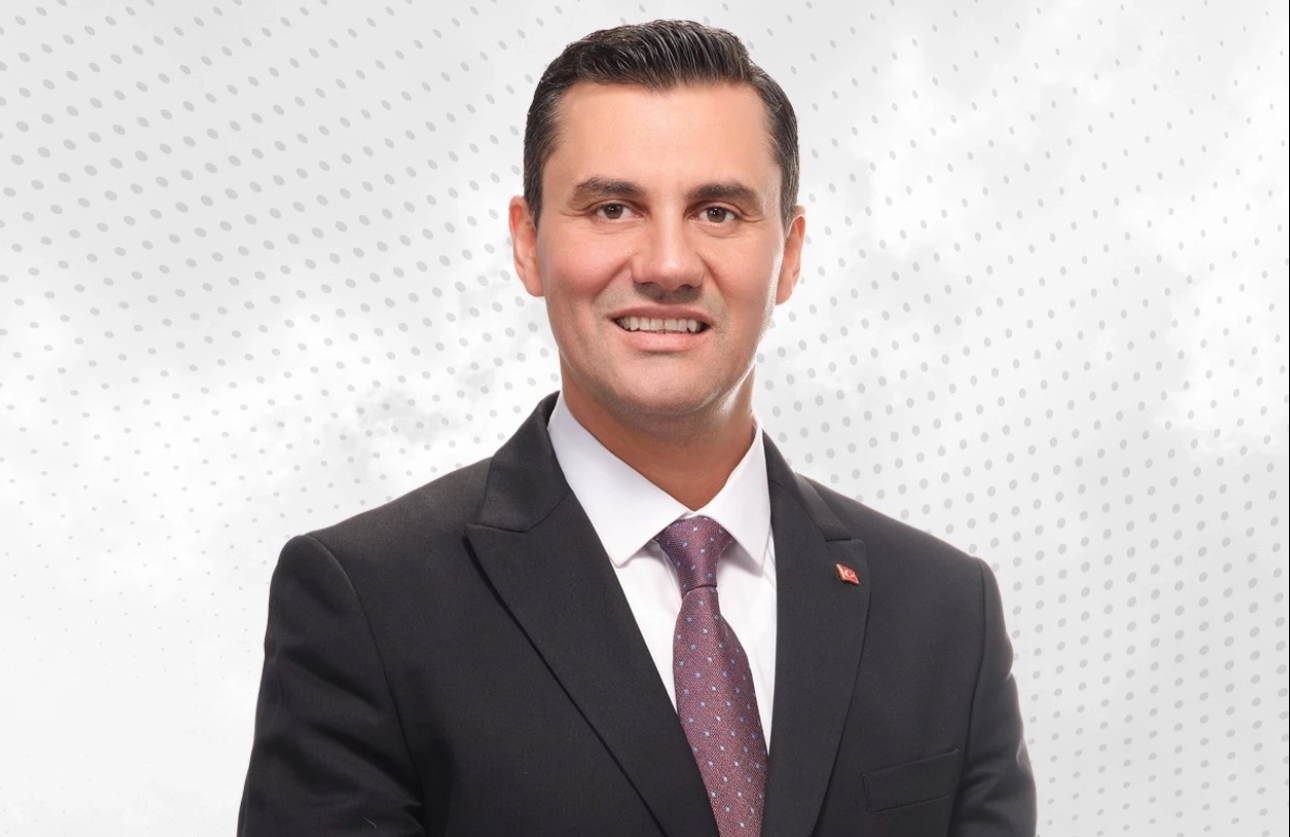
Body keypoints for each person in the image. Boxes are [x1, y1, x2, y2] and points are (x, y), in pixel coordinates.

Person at [237, 19, 1036, 837]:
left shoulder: (946, 615)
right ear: (528, 243)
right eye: (612, 208)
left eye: (718, 211)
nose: (667, 265)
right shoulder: (370, 605)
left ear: (790, 253)